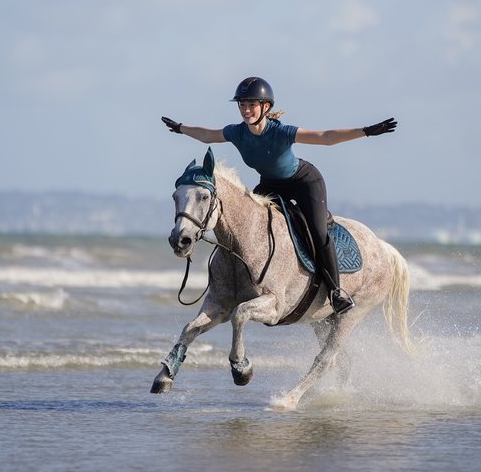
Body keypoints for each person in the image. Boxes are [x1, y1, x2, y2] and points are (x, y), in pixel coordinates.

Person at [162, 76, 396, 315]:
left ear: (266, 107)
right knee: (246, 224)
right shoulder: (237, 132)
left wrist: (366, 131)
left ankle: (336, 291)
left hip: (303, 182)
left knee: (317, 230)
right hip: (271, 184)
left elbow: (326, 138)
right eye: (242, 104)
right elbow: (207, 135)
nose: (245, 110)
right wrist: (181, 128)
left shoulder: (281, 132)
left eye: (251, 104)